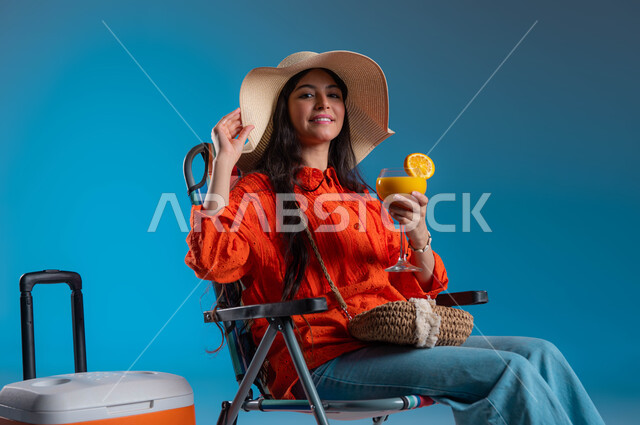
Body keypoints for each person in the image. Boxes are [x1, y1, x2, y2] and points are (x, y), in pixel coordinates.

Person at [185, 51, 604, 425]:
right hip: (320, 359)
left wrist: (417, 235)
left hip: (385, 344)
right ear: (283, 112)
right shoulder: (258, 193)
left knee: (540, 354)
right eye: (307, 94)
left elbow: (414, 290)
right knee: (507, 372)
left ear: (344, 111)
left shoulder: (362, 196)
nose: (324, 102)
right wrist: (224, 164)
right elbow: (212, 262)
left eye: (333, 94)